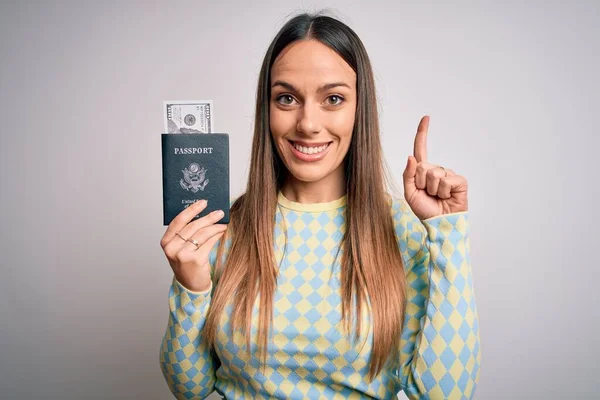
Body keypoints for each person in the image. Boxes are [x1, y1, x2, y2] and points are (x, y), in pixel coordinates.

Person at [158, 11, 480, 400]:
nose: (308, 123)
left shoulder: (403, 231)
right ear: (268, 110)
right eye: (287, 98)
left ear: (359, 109)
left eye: (333, 98)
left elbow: (445, 395)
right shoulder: (223, 227)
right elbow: (189, 389)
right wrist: (189, 288)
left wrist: (448, 234)